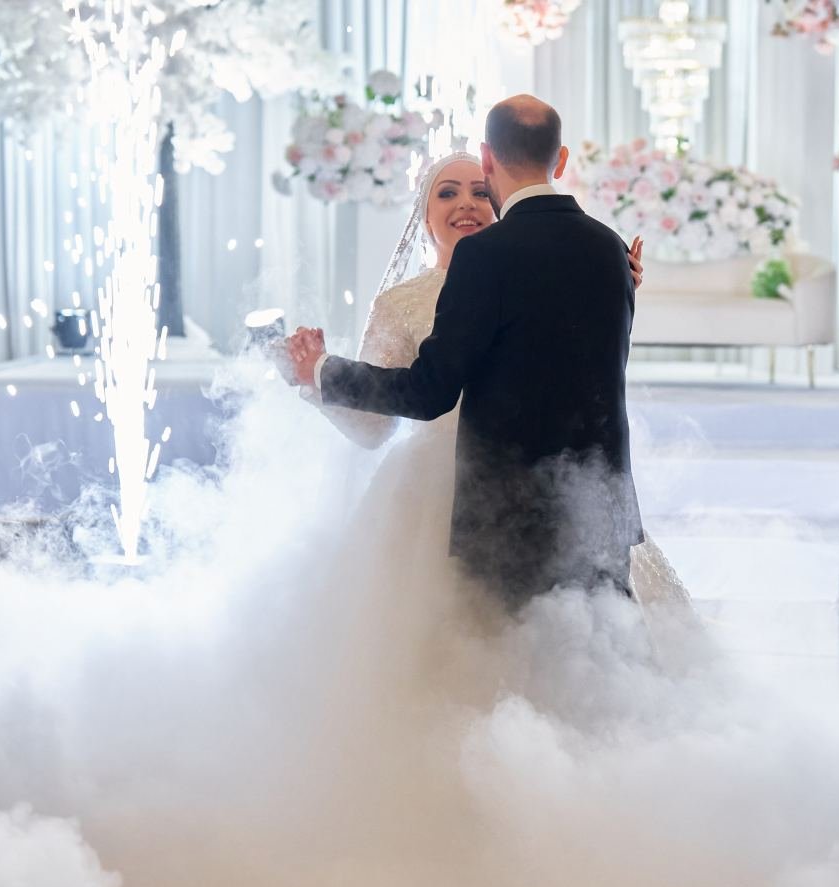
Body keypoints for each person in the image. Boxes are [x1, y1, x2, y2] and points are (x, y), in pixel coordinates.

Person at [286, 96, 686, 613]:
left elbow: (437, 388)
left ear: (491, 163)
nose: (467, 204)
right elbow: (373, 431)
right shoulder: (606, 247)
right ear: (424, 214)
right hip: (521, 493)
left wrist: (326, 369)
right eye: (447, 193)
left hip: (515, 496)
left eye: (478, 190)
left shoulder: (497, 258)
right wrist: (316, 377)